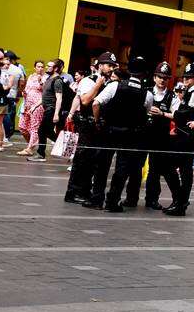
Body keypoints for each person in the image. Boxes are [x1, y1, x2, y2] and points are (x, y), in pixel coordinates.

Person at [88, 55, 151, 212]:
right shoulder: (147, 94)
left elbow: (96, 103)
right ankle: (112, 202)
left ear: (128, 70)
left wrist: (98, 122)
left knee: (102, 165)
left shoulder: (115, 86)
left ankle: (97, 199)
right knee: (122, 170)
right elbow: (147, 114)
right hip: (130, 135)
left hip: (109, 131)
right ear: (144, 74)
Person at [161, 65, 194, 216]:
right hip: (184, 136)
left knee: (170, 166)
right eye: (184, 76)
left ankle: (180, 201)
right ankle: (180, 201)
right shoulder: (190, 92)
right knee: (183, 169)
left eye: (189, 77)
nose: (185, 79)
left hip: (186, 138)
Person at [63, 54, 115, 202]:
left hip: (101, 125)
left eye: (112, 66)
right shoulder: (88, 80)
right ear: (100, 65)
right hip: (87, 123)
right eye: (108, 65)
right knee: (82, 158)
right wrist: (98, 85)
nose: (111, 69)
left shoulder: (111, 83)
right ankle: (73, 193)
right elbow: (85, 101)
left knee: (94, 161)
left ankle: (85, 191)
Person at [141, 63, 175, 208]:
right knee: (136, 165)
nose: (162, 80)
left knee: (155, 170)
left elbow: (176, 114)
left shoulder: (172, 95)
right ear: (154, 77)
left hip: (160, 137)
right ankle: (131, 197)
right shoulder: (146, 91)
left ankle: (152, 199)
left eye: (165, 78)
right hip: (143, 134)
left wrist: (162, 114)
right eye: (160, 77)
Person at [33, 59, 69, 161]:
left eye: (49, 66)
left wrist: (56, 114)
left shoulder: (57, 80)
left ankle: (41, 154)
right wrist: (35, 105)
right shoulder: (49, 78)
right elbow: (45, 96)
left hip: (52, 109)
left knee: (42, 131)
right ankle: (66, 147)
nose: (46, 67)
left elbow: (59, 98)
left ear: (56, 68)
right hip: (48, 109)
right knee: (47, 132)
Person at [15, 61, 45, 155]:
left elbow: (46, 92)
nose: (40, 68)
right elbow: (27, 88)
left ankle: (30, 148)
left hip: (37, 105)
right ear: (34, 67)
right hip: (27, 104)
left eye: (42, 67)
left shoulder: (45, 78)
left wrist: (41, 82)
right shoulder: (31, 76)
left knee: (34, 127)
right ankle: (31, 145)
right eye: (38, 66)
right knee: (22, 127)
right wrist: (24, 93)